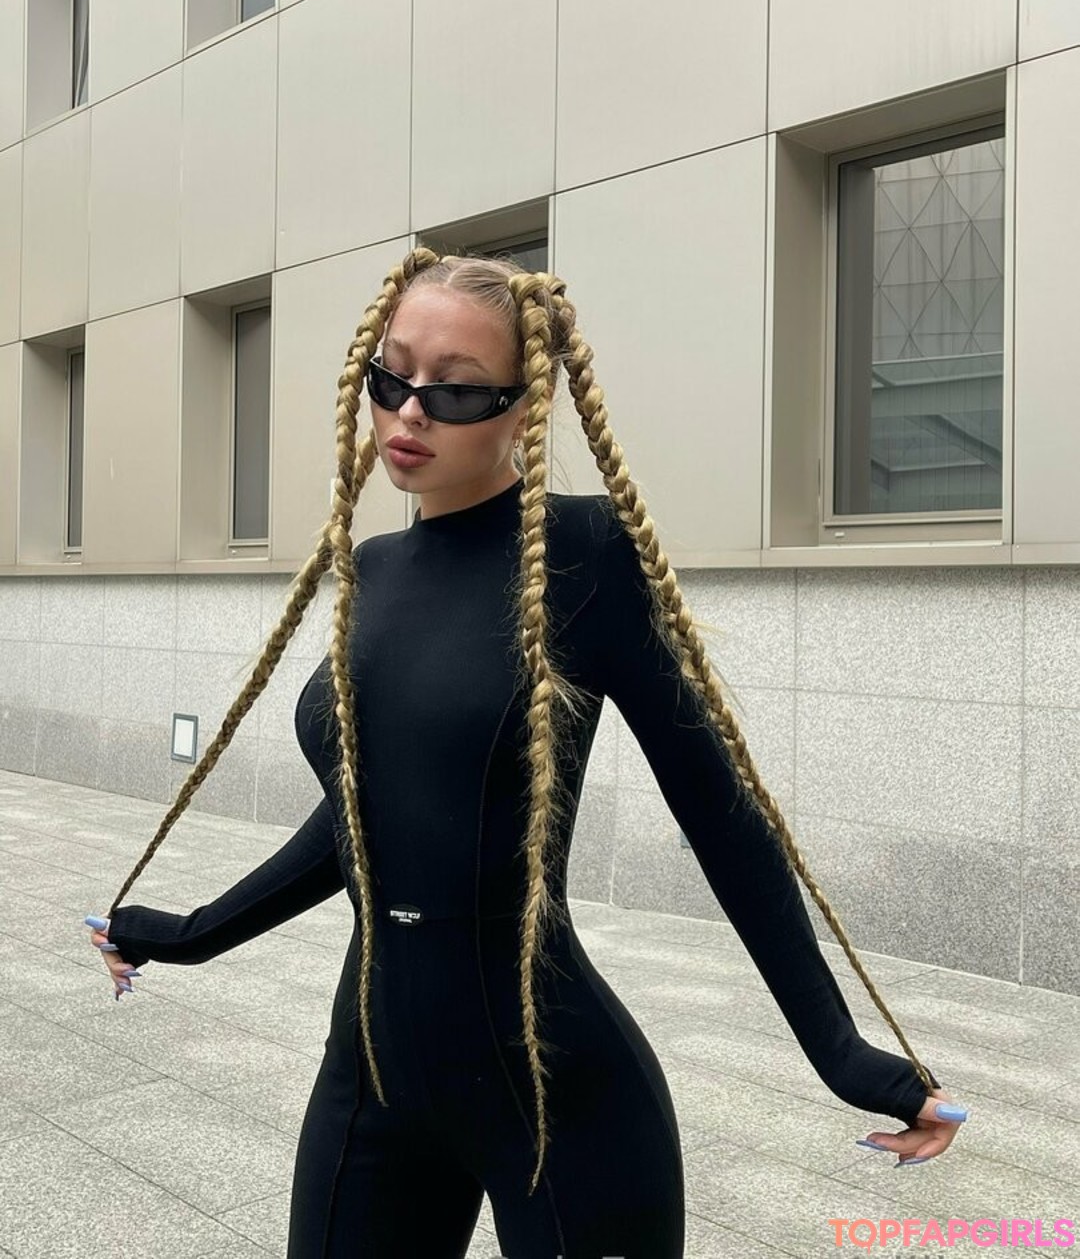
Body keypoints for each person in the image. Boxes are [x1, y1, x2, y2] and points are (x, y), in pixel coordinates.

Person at [84, 249, 968, 1259]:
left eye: (457, 390)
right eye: (391, 376)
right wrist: (185, 934)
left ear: (523, 407)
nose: (410, 411)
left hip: (564, 1101)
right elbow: (367, 824)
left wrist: (846, 1055)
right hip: (371, 1075)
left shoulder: (589, 556)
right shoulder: (372, 570)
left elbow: (722, 814)